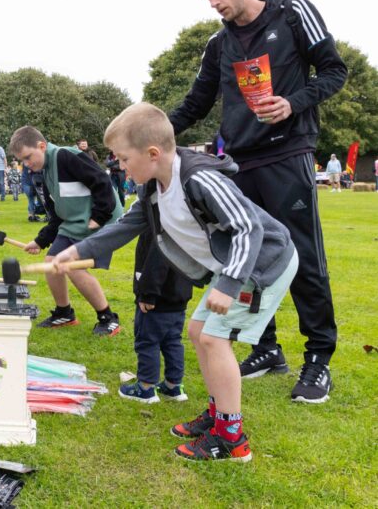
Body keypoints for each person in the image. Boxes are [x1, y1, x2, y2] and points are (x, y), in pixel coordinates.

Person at [54, 102, 298, 461]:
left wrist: (229, 284)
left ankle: (231, 439)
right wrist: (76, 251)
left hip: (261, 265)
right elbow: (127, 225)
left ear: (152, 153)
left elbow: (249, 227)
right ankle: (217, 417)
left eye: (123, 158)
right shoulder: (153, 188)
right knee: (199, 331)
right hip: (232, 266)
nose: (119, 166)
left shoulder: (199, 179)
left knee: (214, 339)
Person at [168, 0, 347, 404]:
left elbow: (333, 71)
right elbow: (196, 102)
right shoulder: (218, 44)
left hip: (288, 154)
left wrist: (293, 102)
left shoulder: (291, 12)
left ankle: (318, 358)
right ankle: (266, 347)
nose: (213, 3)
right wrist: (151, 135)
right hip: (238, 163)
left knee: (303, 256)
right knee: (246, 259)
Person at [9, 126, 123, 333]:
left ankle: (108, 318)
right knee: (51, 262)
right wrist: (41, 241)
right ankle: (64, 313)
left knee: (71, 266)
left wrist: (98, 217)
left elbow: (102, 181)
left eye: (27, 157)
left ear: (41, 146)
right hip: (74, 223)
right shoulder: (43, 173)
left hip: (101, 221)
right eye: (22, 161)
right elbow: (56, 216)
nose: (26, 165)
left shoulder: (65, 156)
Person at [118, 234, 193, 404]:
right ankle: (173, 386)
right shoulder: (183, 225)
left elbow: (157, 260)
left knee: (148, 342)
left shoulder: (160, 226)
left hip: (157, 299)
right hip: (178, 296)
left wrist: (148, 294)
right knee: (173, 340)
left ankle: (145, 388)